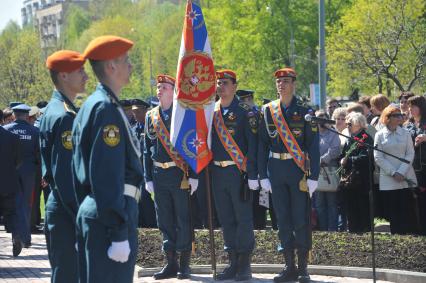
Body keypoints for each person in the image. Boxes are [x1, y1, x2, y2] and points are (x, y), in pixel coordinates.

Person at [72, 36, 143, 283]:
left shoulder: (95, 105)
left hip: (99, 214)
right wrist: (118, 230)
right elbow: (107, 174)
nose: (131, 66)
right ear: (111, 66)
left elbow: (79, 170)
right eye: (126, 61)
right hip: (109, 218)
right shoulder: (106, 110)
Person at [258, 67, 319, 283]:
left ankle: (303, 268)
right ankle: (289, 266)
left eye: (286, 81)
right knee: (282, 219)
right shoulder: (267, 111)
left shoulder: (305, 112)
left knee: (300, 218)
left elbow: (313, 146)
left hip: (297, 170)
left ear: (294, 83)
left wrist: (314, 176)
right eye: (278, 81)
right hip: (275, 169)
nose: (281, 85)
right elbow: (262, 145)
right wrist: (262, 174)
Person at [39, 50, 88, 282]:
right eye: (80, 71)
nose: (86, 76)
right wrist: (81, 216)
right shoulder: (64, 116)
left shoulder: (54, 109)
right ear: (64, 76)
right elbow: (66, 176)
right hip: (67, 211)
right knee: (68, 275)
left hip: (58, 207)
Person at [144, 74, 198, 280]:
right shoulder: (151, 116)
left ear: (173, 91)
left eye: (165, 87)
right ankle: (170, 263)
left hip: (179, 174)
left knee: (183, 219)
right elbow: (145, 149)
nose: (160, 90)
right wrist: (147, 177)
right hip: (159, 173)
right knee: (164, 220)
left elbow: (192, 145)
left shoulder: (182, 114)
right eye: (158, 87)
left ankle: (185, 265)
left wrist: (194, 175)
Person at [211, 70, 258, 281]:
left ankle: (244, 265)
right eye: (218, 83)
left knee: (243, 219)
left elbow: (253, 146)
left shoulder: (245, 112)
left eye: (225, 83)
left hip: (237, 172)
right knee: (226, 219)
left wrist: (252, 174)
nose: (221, 86)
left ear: (235, 86)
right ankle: (231, 262)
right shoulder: (210, 111)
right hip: (217, 172)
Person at [374, 105, 417, 234]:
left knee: (406, 209)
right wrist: (393, 172)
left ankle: (408, 236)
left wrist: (401, 172)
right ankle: (396, 237)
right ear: (388, 118)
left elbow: (410, 153)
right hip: (389, 179)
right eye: (396, 115)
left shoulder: (406, 133)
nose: (400, 117)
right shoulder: (379, 135)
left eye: (401, 115)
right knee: (393, 211)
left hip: (405, 177)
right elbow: (378, 157)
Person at [4, 103, 40, 248]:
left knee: (11, 203)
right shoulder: (34, 131)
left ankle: (16, 235)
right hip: (28, 172)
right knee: (26, 204)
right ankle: (25, 237)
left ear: (14, 115)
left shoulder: (5, 130)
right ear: (27, 115)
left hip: (9, 171)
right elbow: (39, 153)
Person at [339, 112, 373, 233]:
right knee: (351, 206)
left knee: (362, 206)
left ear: (359, 124)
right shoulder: (350, 138)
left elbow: (367, 157)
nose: (347, 126)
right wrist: (341, 160)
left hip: (361, 180)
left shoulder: (366, 138)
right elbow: (343, 155)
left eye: (350, 123)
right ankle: (353, 230)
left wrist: (348, 160)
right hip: (350, 179)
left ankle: (364, 230)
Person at [0, 109, 23, 257]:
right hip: (7, 182)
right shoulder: (11, 137)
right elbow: (18, 160)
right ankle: (16, 236)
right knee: (12, 213)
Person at [132, 99, 157, 228]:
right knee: (143, 199)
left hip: (154, 169)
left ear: (145, 111)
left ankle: (155, 224)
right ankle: (147, 225)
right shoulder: (133, 130)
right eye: (133, 112)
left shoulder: (155, 126)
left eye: (137, 112)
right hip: (140, 171)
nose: (135, 115)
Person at [315, 110, 340, 231]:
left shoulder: (333, 133)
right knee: (319, 204)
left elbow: (335, 150)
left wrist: (322, 160)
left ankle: (332, 230)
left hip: (330, 171)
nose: (321, 122)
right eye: (318, 119)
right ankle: (323, 229)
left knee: (332, 203)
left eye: (323, 119)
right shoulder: (312, 134)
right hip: (315, 172)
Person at [405, 95, 426, 235]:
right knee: (415, 200)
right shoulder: (408, 124)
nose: (410, 109)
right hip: (412, 168)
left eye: (413, 106)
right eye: (409, 106)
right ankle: (417, 229)